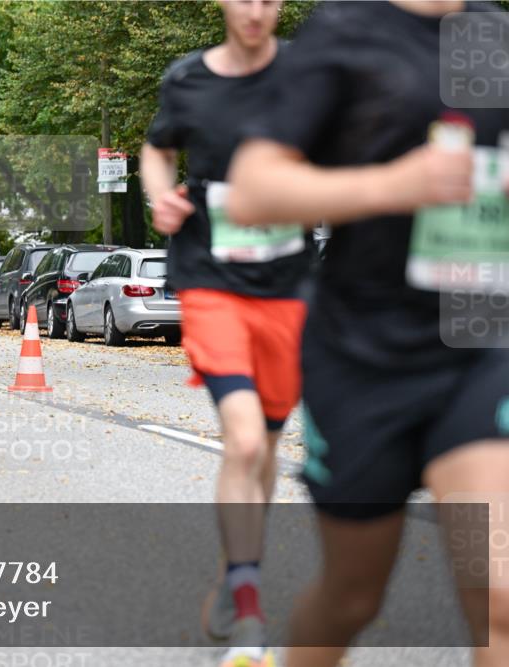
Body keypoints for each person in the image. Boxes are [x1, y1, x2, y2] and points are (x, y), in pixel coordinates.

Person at [226, 2, 509, 666]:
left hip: (477, 349)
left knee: (497, 591)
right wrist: (393, 184)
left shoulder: (493, 35)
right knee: (354, 597)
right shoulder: (343, 32)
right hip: (362, 356)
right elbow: (252, 190)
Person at [140, 2, 314, 664]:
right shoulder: (187, 79)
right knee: (242, 439)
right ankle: (248, 611)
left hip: (289, 288)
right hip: (210, 278)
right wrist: (162, 195)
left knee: (264, 448)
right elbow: (158, 151)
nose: (256, 10)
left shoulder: (308, 71)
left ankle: (235, 567)